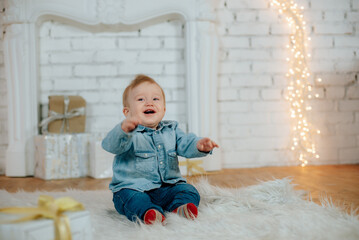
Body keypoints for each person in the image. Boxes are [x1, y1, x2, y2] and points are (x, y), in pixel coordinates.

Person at [102, 74, 219, 225]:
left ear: (163, 109)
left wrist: (199, 146)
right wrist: (124, 130)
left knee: (189, 190)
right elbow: (110, 145)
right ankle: (148, 213)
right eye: (141, 99)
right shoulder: (127, 133)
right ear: (127, 112)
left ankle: (180, 208)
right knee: (132, 199)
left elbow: (185, 143)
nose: (149, 103)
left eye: (155, 99)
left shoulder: (172, 130)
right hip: (134, 189)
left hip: (167, 188)